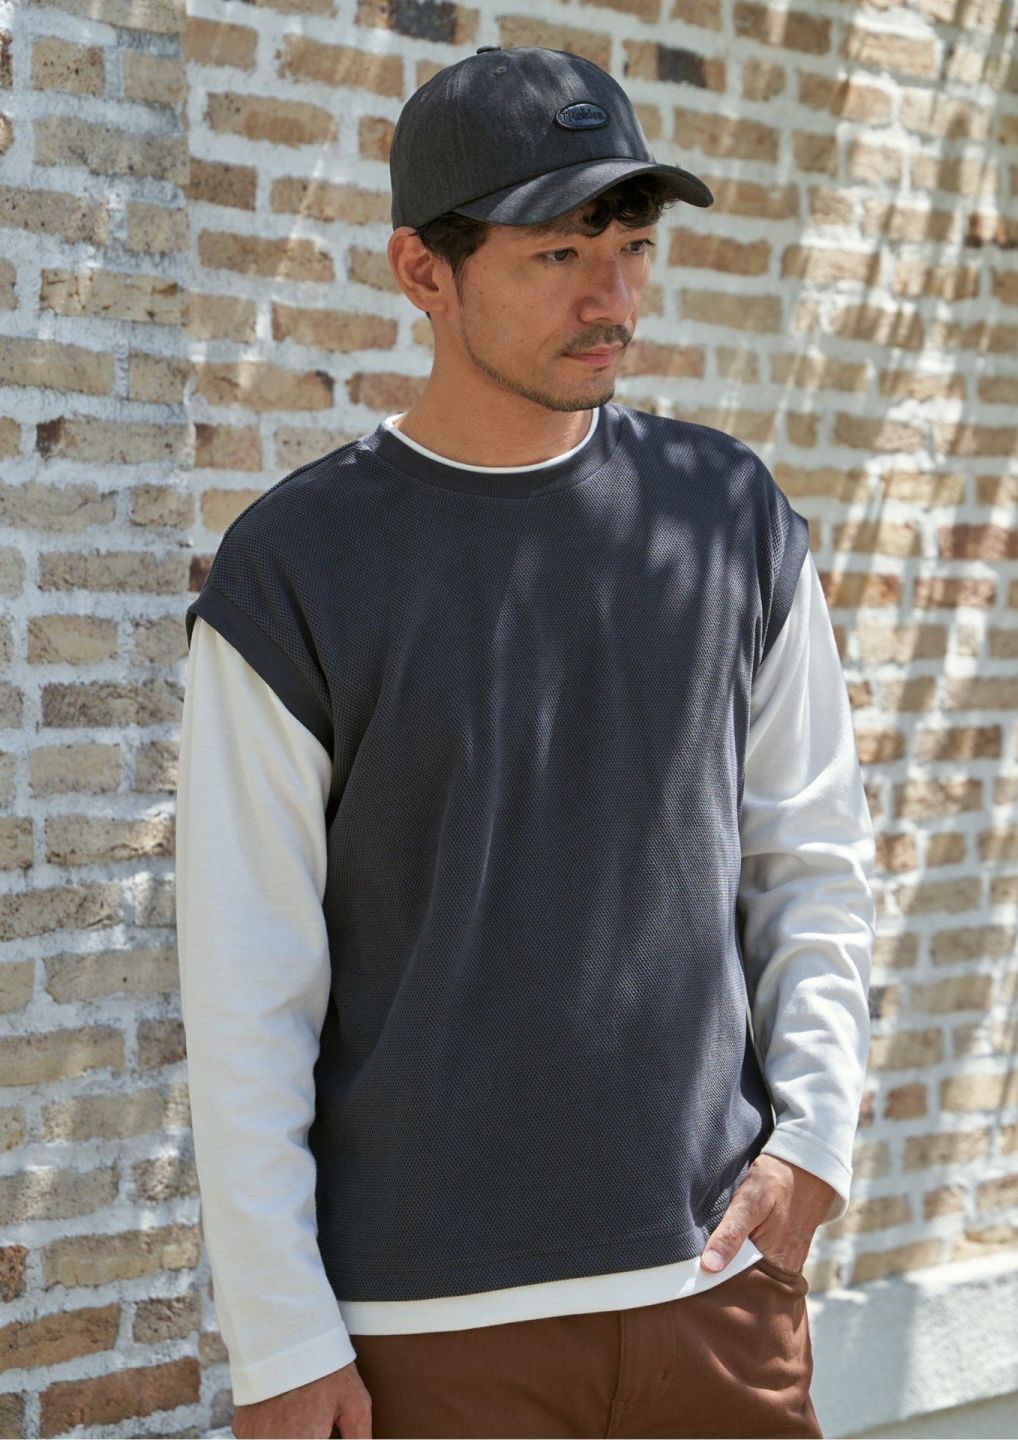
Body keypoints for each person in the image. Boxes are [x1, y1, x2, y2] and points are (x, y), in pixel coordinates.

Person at [175, 44, 877, 1440]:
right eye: (559, 253)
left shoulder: (729, 517)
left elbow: (813, 861)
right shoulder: (299, 566)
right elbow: (247, 977)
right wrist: (279, 1334)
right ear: (421, 272)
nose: (612, 296)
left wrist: (814, 1144)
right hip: (428, 1332)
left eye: (633, 246)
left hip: (716, 1294)